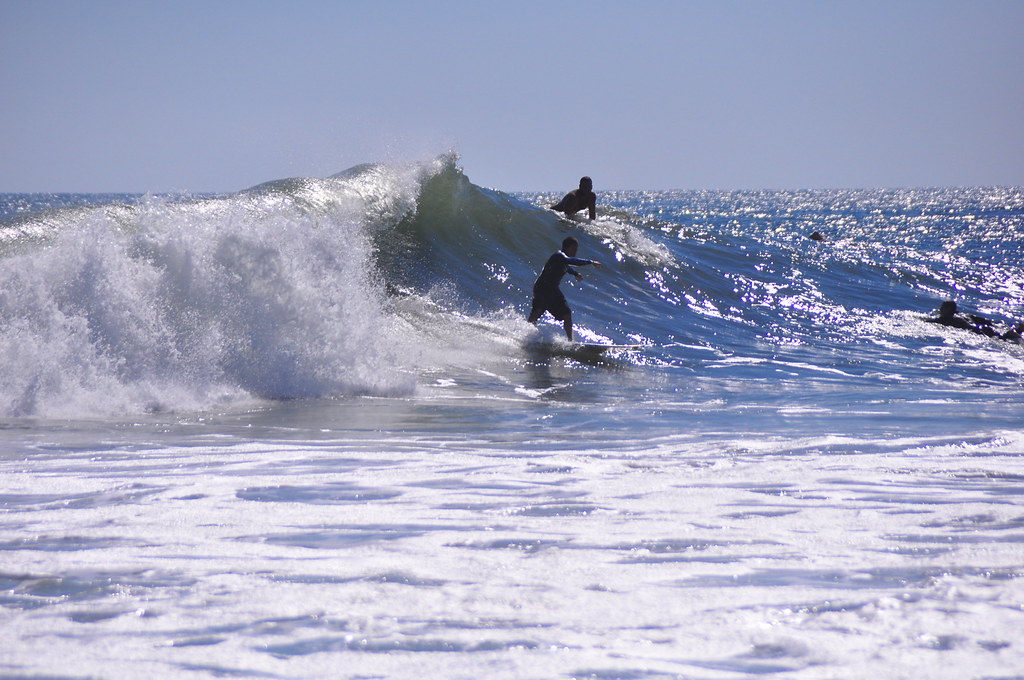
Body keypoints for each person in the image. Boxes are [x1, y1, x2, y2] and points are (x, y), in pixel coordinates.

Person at [528, 236, 602, 341]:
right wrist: (590, 262)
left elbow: (566, 267)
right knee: (537, 311)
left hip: (553, 290)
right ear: (568, 247)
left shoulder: (563, 261)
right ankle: (527, 335)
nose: (575, 252)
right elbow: (569, 261)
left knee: (567, 313)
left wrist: (575, 273)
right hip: (542, 288)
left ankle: (570, 341)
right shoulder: (559, 256)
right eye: (574, 249)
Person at [924, 300, 997, 337]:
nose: (940, 309)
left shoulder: (946, 318)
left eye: (942, 307)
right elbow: (985, 321)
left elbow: (932, 321)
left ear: (948, 309)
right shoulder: (964, 315)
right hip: (981, 328)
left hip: (974, 331)